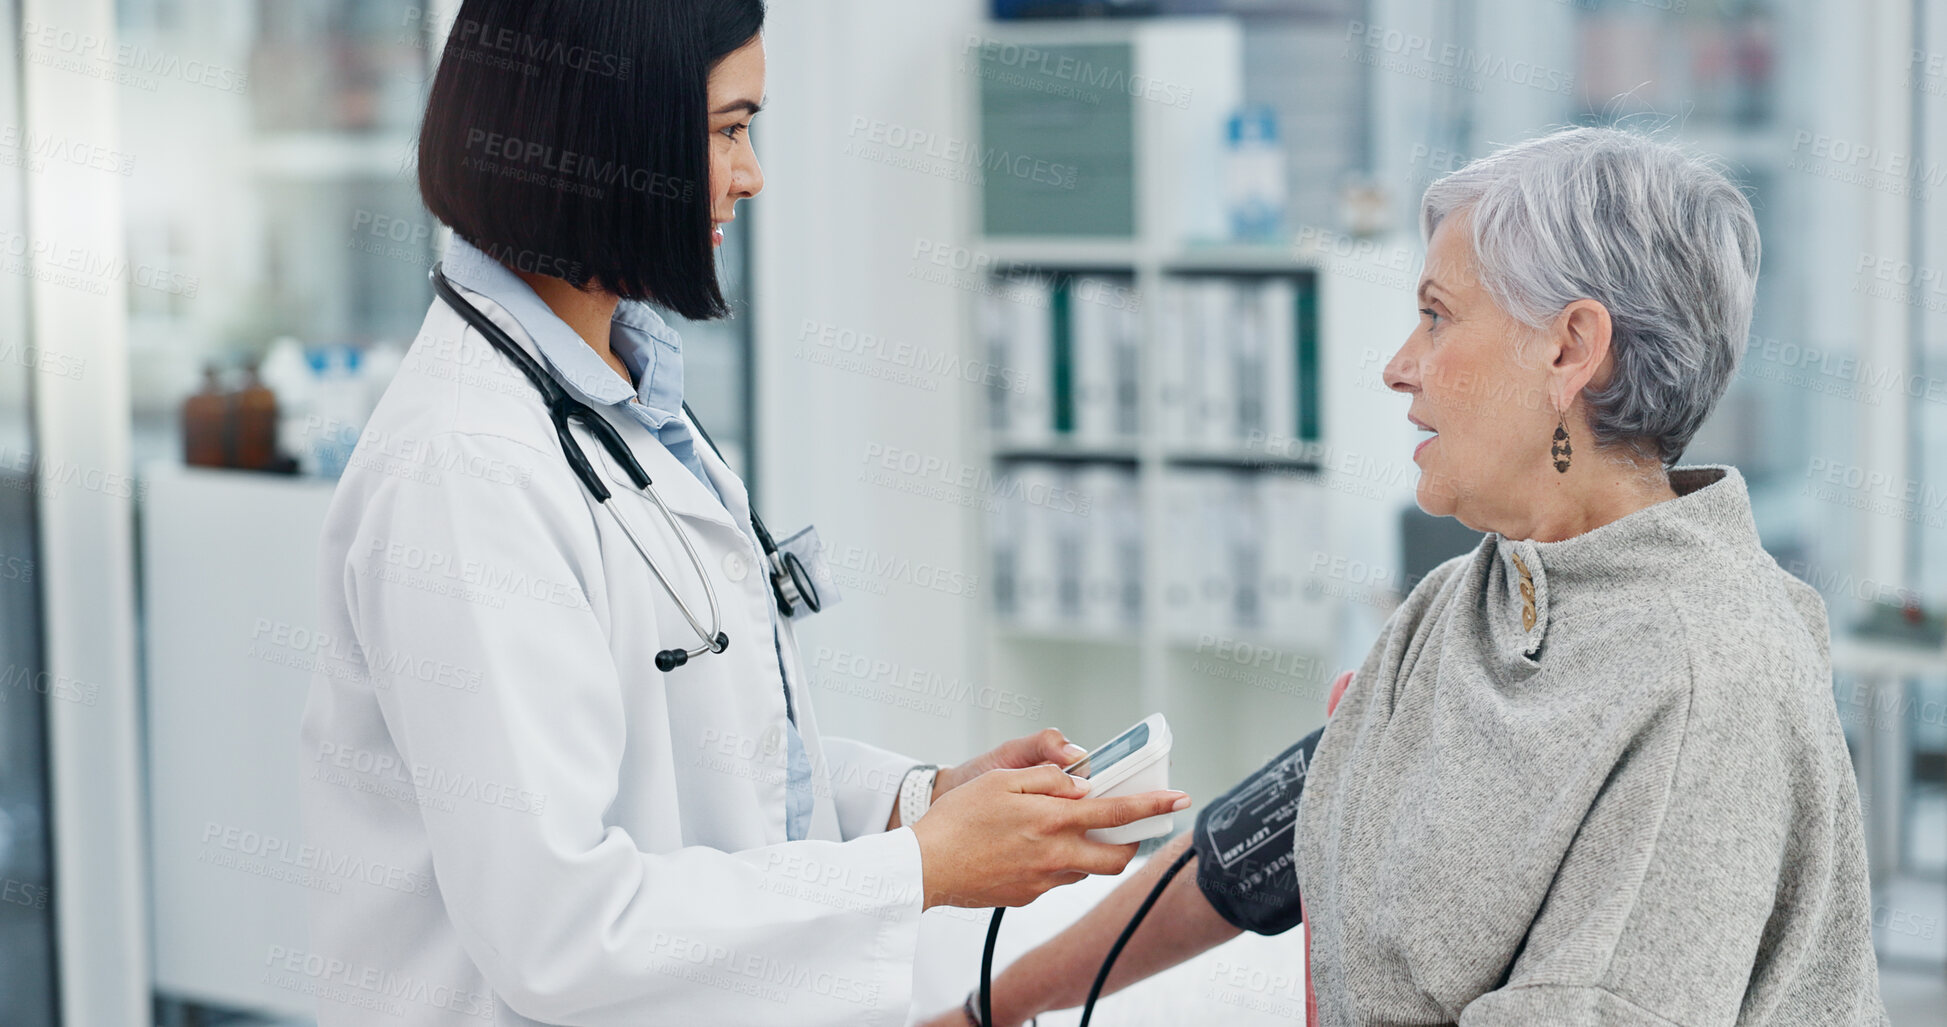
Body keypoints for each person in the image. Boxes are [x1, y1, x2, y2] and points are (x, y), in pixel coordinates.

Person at [298, 3, 1189, 1025]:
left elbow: (708, 762)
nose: (752, 171)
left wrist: (921, 802)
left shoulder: (620, 402)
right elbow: (559, 932)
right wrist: (917, 868)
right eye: (729, 128)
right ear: (608, 134)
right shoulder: (465, 469)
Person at [936, 127, 1888, 1026]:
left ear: (1569, 349)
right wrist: (992, 1007)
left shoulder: (1704, 673)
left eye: (1436, 316)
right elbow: (1252, 852)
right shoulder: (1464, 603)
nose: (1397, 367)